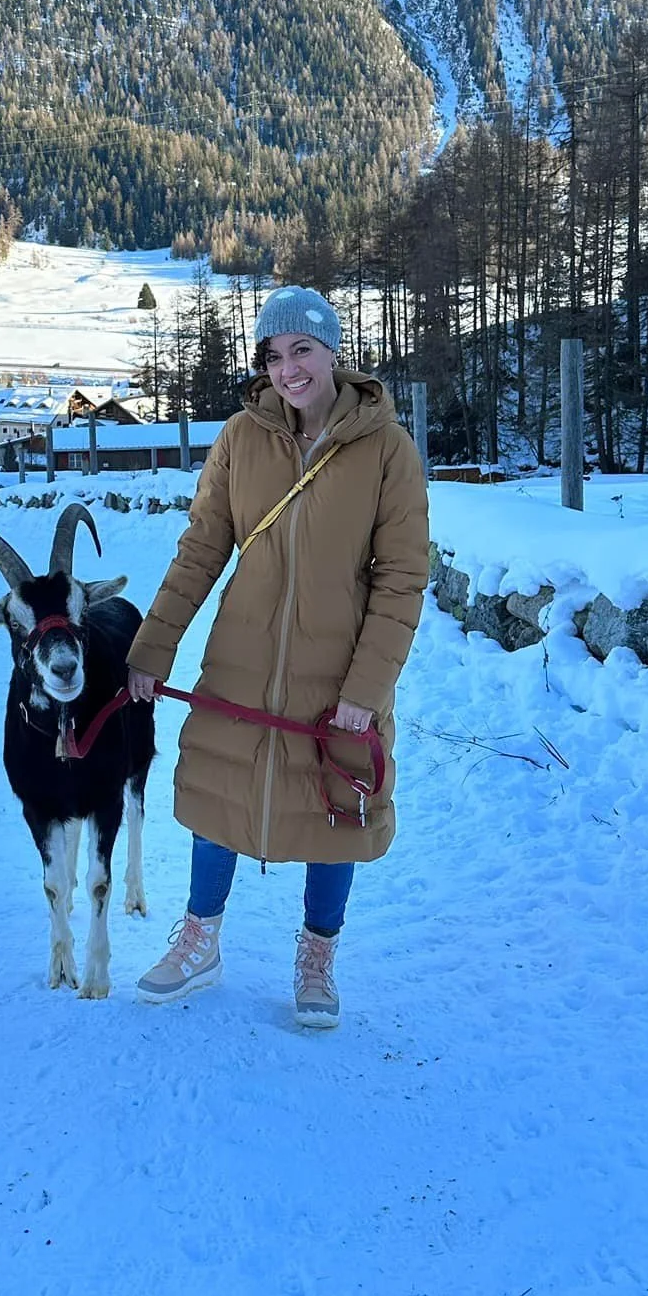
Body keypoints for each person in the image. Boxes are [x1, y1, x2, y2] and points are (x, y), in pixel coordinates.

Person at [126, 284, 430, 1027]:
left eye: (302, 350)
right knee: (217, 790)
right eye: (272, 355)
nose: (288, 369)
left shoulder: (387, 449)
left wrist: (367, 686)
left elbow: (402, 580)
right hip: (241, 660)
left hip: (340, 676)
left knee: (336, 807)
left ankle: (318, 954)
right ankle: (200, 939)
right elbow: (202, 548)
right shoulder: (239, 438)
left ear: (332, 352)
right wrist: (152, 647)